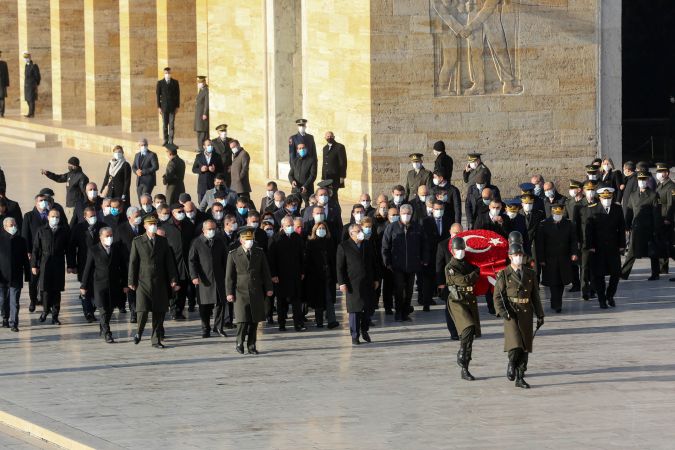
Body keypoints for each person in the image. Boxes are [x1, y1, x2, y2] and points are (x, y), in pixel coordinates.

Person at [494, 243, 545, 389]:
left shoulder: (530, 273)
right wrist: (503, 312)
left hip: (526, 311)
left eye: (521, 255)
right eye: (516, 255)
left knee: (525, 346)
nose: (519, 257)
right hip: (511, 312)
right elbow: (497, 296)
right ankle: (511, 363)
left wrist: (540, 314)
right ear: (510, 257)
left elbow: (535, 296)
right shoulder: (504, 274)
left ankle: (520, 376)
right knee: (515, 343)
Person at [128, 215, 179, 348]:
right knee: (142, 310)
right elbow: (133, 263)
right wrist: (131, 281)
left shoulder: (163, 241)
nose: (153, 226)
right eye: (150, 224)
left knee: (159, 311)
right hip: (143, 281)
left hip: (159, 281)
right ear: (144, 226)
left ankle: (156, 340)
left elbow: (169, 262)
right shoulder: (137, 241)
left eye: (155, 224)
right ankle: (139, 332)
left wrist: (173, 279)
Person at [226, 226, 274, 354]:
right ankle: (239, 342)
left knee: (254, 320)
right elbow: (229, 276)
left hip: (256, 290)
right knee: (242, 320)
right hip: (240, 291)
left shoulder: (259, 252)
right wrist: (229, 292)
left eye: (251, 238)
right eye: (246, 239)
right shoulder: (234, 254)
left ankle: (251, 345)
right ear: (241, 240)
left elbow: (266, 272)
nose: (249, 241)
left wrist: (269, 288)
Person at [381, 204, 428, 321]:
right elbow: (385, 246)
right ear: (400, 214)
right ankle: (398, 312)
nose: (406, 216)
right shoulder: (392, 227)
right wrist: (387, 262)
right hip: (397, 265)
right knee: (398, 289)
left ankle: (405, 312)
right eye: (403, 213)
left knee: (409, 290)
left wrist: (424, 259)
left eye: (408, 213)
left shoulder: (418, 227)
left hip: (412, 264)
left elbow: (424, 245)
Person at [80, 227, 128, 343]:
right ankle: (107, 333)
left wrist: (126, 284)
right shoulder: (93, 249)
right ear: (100, 237)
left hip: (114, 284)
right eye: (107, 236)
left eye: (111, 235)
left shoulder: (117, 249)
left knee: (110, 309)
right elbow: (88, 268)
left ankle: (103, 326)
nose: (110, 238)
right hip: (99, 285)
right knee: (103, 309)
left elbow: (123, 267)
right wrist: (83, 286)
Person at [445, 237, 481, 380]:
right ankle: (461, 353)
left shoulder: (468, 263)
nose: (460, 252)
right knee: (468, 327)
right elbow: (463, 281)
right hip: (457, 300)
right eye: (457, 249)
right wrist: (476, 273)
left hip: (469, 299)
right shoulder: (450, 267)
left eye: (462, 249)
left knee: (470, 334)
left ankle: (465, 367)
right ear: (452, 251)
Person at [337, 223, 379, 345]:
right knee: (354, 310)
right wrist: (341, 283)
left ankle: (364, 330)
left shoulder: (368, 244)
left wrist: (376, 279)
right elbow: (340, 267)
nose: (361, 232)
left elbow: (375, 263)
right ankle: (355, 335)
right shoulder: (344, 246)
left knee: (368, 309)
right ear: (351, 234)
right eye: (358, 231)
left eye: (361, 230)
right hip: (352, 283)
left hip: (368, 282)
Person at [586, 187, 626, 308]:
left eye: (609, 197)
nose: (607, 200)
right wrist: (590, 245)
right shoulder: (593, 209)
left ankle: (610, 295)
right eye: (605, 198)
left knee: (616, 273)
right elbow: (589, 230)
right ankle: (602, 299)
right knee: (599, 275)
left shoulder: (617, 209)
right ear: (600, 198)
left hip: (613, 247)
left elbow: (621, 228)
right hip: (598, 248)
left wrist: (622, 245)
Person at [536, 204, 578, 313]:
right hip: (550, 259)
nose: (557, 215)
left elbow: (573, 240)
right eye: (555, 213)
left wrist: (574, 253)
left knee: (561, 281)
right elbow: (540, 244)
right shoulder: (544, 224)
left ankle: (557, 300)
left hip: (564, 258)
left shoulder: (569, 224)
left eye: (560, 213)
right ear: (552, 213)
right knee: (553, 282)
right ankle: (556, 303)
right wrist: (541, 259)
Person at [189, 220, 228, 338]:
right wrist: (194, 276)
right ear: (203, 230)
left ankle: (218, 327)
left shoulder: (219, 241)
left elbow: (225, 259)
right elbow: (192, 261)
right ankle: (205, 328)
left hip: (219, 278)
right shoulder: (196, 242)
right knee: (204, 306)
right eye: (210, 229)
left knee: (221, 303)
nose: (212, 231)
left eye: (214, 229)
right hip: (204, 279)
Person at [31, 209, 70, 325]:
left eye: (57, 217)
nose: (55, 219)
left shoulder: (63, 231)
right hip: (45, 263)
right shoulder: (42, 230)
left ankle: (55, 316)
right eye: (53, 216)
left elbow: (68, 249)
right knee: (46, 290)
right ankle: (45, 310)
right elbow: (36, 249)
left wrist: (71, 265)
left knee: (57, 290)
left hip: (58, 263)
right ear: (48, 217)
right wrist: (34, 264)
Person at [621, 171, 662, 281]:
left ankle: (655, 273)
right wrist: (627, 226)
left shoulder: (653, 195)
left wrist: (656, 229)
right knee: (631, 253)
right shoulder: (633, 194)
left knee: (652, 252)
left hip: (649, 228)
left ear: (647, 180)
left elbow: (656, 214)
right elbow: (629, 211)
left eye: (644, 180)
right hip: (636, 228)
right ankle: (624, 273)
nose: (642, 182)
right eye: (640, 180)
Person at [268, 216, 305, 331]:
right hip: (281, 276)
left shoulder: (297, 238)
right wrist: (273, 275)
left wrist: (302, 271)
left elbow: (302, 256)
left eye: (292, 225)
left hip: (295, 275)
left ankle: (298, 324)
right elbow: (271, 259)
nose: (290, 227)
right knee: (281, 301)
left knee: (296, 301)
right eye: (288, 226)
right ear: (282, 226)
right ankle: (282, 323)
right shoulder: (275, 239)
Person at [68, 207, 105, 322]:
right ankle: (88, 312)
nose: (93, 218)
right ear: (85, 217)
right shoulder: (78, 228)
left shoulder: (102, 226)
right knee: (85, 287)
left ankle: (92, 309)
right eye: (91, 216)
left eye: (95, 215)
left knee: (96, 289)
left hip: (99, 263)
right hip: (84, 263)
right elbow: (72, 247)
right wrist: (71, 264)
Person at [304, 222, 338, 329]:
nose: (322, 230)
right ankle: (319, 321)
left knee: (329, 299)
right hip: (316, 277)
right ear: (315, 230)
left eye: (323, 228)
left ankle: (332, 321)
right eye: (320, 228)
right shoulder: (310, 243)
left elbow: (333, 259)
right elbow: (308, 261)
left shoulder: (330, 242)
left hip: (328, 276)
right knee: (318, 300)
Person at [0, 217, 30, 331]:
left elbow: (25, 260)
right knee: (3, 300)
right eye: (10, 225)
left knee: (14, 301)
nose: (13, 227)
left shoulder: (21, 240)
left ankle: (14, 323)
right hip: (2, 276)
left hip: (16, 276)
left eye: (14, 225)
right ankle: (5, 318)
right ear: (5, 227)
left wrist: (28, 275)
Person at [420, 200, 451, 311]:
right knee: (428, 280)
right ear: (432, 210)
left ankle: (446, 300)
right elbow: (422, 240)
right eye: (436, 209)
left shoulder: (448, 220)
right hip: (430, 254)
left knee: (444, 277)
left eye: (441, 209)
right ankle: (426, 302)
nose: (439, 211)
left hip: (444, 254)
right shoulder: (425, 221)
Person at [114, 206, 143, 322]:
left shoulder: (143, 227)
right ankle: (133, 312)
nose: (138, 218)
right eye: (136, 216)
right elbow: (116, 246)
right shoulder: (121, 229)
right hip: (127, 264)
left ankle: (142, 309)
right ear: (129, 217)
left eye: (139, 216)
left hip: (142, 263)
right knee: (131, 288)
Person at [41, 157, 89, 221]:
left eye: (69, 165)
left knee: (73, 224)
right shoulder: (70, 174)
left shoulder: (82, 177)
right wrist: (48, 173)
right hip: (68, 205)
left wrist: (85, 206)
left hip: (75, 206)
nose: (68, 166)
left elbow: (85, 193)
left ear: (74, 165)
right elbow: (59, 178)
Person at [436, 222, 461, 340]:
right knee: (450, 308)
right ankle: (453, 332)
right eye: (456, 232)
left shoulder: (467, 244)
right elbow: (439, 266)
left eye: (460, 232)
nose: (458, 235)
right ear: (450, 232)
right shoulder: (443, 245)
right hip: (448, 283)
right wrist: (440, 284)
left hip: (462, 282)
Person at [654, 163, 675, 275]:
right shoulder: (660, 185)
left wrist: (668, 218)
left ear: (666, 173)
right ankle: (663, 268)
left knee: (668, 246)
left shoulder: (671, 186)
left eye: (660, 172)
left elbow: (671, 204)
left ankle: (663, 267)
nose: (658, 174)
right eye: (657, 172)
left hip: (666, 220)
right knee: (662, 244)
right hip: (660, 219)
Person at [156, 67, 180, 145]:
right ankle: (165, 140)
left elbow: (177, 95)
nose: (167, 74)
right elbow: (158, 95)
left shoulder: (175, 82)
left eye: (169, 73)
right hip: (164, 107)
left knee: (172, 124)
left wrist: (177, 106)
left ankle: (171, 141)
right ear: (164, 73)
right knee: (165, 124)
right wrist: (159, 107)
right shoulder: (160, 83)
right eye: (166, 73)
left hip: (172, 107)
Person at [321, 131, 347, 202]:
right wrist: (323, 177)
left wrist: (342, 176)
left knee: (334, 195)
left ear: (334, 137)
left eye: (331, 136)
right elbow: (324, 164)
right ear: (325, 138)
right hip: (327, 177)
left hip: (336, 177)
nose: (329, 138)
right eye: (328, 136)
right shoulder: (325, 148)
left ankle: (336, 210)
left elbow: (343, 163)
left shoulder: (339, 147)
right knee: (327, 195)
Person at [23, 52, 40, 118]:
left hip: (32, 85)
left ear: (30, 58)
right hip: (27, 86)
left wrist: (36, 83)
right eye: (25, 58)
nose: (26, 59)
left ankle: (31, 113)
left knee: (31, 99)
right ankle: (30, 112)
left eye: (27, 57)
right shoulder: (26, 65)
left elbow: (37, 76)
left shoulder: (34, 65)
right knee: (27, 99)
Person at [194, 75, 209, 150]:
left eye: (200, 82)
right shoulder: (201, 90)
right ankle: (200, 147)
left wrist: (205, 113)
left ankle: (202, 148)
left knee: (202, 131)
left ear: (204, 82)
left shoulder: (206, 90)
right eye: (198, 82)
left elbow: (206, 103)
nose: (199, 84)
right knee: (199, 131)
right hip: (198, 114)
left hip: (202, 115)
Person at [0, 50, 8, 117]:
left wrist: (6, 84)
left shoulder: (4, 63)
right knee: (2, 99)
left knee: (2, 99)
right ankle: (1, 113)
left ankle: (2, 113)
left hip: (2, 84)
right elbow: (6, 75)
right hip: (2, 84)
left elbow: (6, 74)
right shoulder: (4, 63)